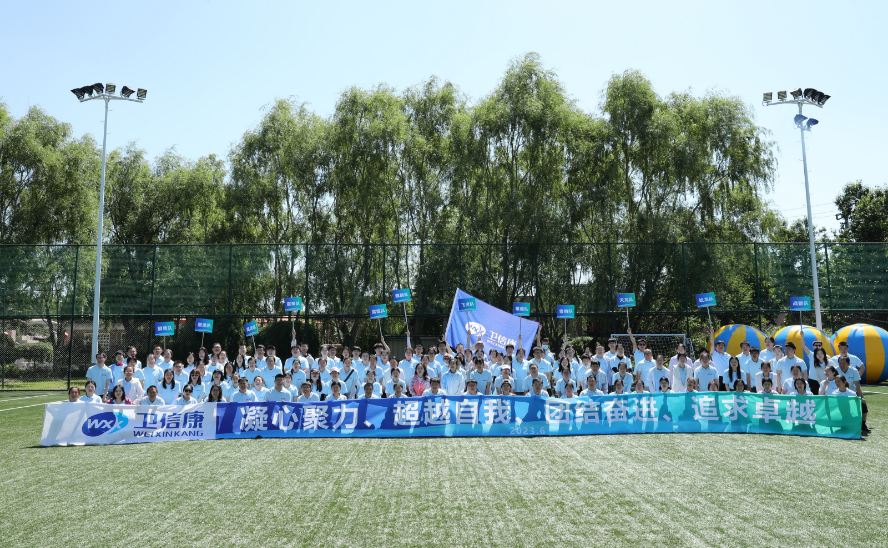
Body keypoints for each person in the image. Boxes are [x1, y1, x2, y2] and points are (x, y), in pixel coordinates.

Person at [833, 355, 870, 432]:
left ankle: (863, 425)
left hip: (853, 393)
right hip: (840, 393)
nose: (842, 365)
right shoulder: (835, 370)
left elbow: (857, 385)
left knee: (863, 405)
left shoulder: (854, 371)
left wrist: (860, 398)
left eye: (844, 363)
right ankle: (843, 423)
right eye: (840, 363)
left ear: (849, 364)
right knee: (843, 409)